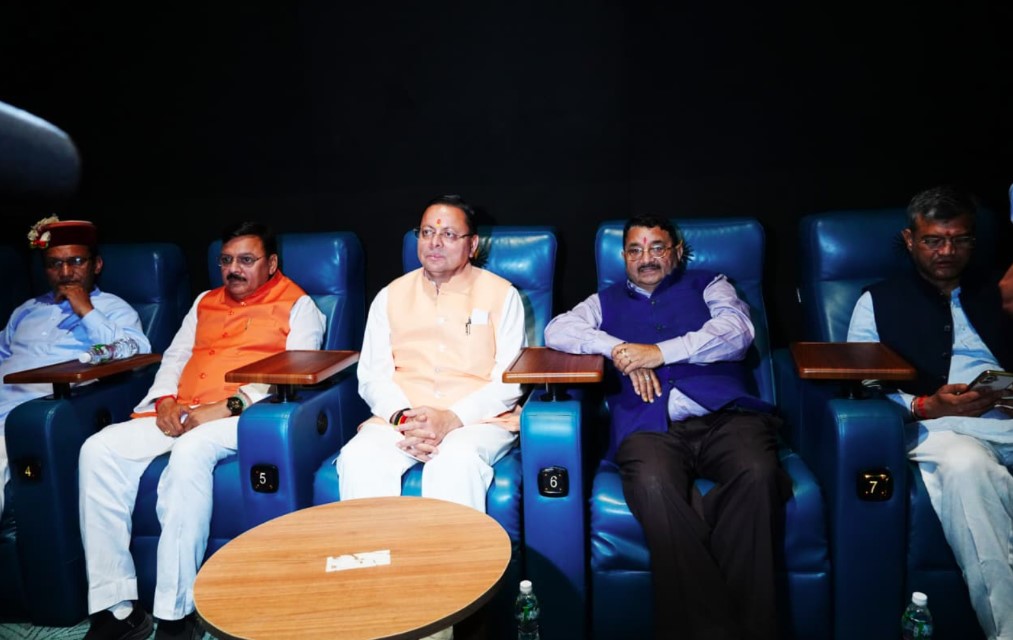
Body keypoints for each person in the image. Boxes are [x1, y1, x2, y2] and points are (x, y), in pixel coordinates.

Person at [544, 215, 788, 640]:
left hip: (728, 417)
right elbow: (557, 330)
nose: (647, 258)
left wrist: (659, 353)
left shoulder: (711, 284)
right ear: (624, 258)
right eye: (635, 250)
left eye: (657, 247)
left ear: (676, 251)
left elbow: (736, 332)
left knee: (758, 472)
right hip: (649, 427)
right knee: (653, 485)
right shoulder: (604, 301)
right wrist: (620, 349)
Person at [78, 221, 325, 640]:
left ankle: (176, 613)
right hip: (182, 410)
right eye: (226, 260)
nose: (234, 269)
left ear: (271, 264)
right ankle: (116, 609)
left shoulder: (299, 306)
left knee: (190, 450)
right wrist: (164, 401)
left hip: (242, 417)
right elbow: (175, 357)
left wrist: (229, 405)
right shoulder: (203, 302)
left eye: (246, 260)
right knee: (98, 449)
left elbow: (295, 369)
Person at [847, 185, 1013, 640]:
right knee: (966, 467)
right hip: (939, 428)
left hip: (1005, 418)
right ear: (910, 239)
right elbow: (861, 387)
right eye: (933, 240)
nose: (946, 251)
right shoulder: (877, 300)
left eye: (959, 240)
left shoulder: (999, 292)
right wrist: (924, 405)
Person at [335, 194, 526, 512]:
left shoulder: (503, 295)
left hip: (477, 422)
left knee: (454, 462)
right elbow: (372, 376)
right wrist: (405, 419)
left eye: (449, 234)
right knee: (359, 458)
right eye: (426, 232)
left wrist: (452, 419)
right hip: (402, 419)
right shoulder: (390, 296)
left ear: (472, 244)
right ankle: (377, 547)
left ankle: (454, 549)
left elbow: (510, 380)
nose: (435, 242)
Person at [0, 216, 149, 520]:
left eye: (76, 261)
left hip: (34, 414)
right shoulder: (27, 310)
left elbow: (137, 350)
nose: (65, 272)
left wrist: (85, 309)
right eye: (55, 264)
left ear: (97, 265)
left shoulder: (113, 308)